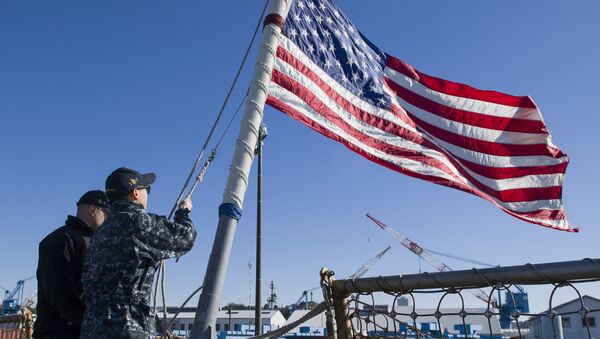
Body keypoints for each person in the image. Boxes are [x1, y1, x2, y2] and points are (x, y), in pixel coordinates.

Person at [81, 167, 196, 339]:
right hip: (128, 328)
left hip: (92, 329)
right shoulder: (138, 223)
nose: (147, 193)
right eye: (146, 189)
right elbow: (186, 238)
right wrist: (183, 213)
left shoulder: (100, 233)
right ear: (135, 193)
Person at [33, 190, 109, 339]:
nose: (109, 219)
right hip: (57, 332)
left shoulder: (95, 242)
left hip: (82, 331)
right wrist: (90, 324)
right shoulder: (60, 240)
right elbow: (60, 293)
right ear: (93, 209)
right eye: (107, 214)